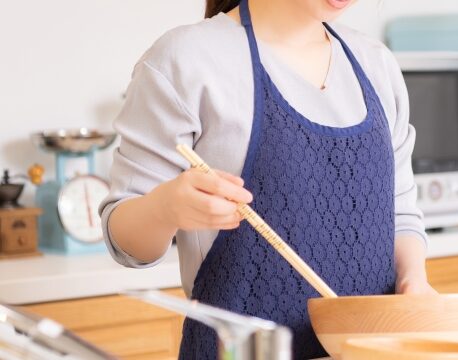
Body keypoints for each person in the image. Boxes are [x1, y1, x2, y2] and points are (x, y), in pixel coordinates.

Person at [100, 0, 437, 358]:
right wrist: (165, 208)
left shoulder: (376, 64)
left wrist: (413, 279)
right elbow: (125, 243)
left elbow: (399, 212)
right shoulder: (187, 59)